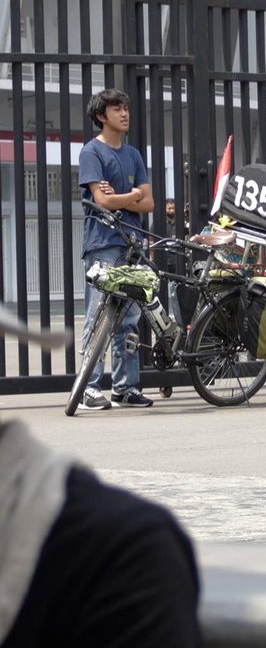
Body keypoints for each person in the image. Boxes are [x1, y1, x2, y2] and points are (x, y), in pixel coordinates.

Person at [0, 306, 200, 648]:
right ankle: (103, 384)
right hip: (109, 249)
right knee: (117, 315)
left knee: (124, 317)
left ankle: (118, 384)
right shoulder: (119, 553)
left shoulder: (112, 555)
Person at [79, 88, 155, 410]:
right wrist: (130, 196)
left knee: (130, 317)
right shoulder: (91, 152)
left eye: (126, 107)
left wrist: (122, 198)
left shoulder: (134, 154)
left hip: (134, 243)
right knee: (98, 315)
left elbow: (149, 202)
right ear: (101, 116)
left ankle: (125, 388)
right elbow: (102, 201)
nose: (124, 113)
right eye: (116, 109)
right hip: (103, 244)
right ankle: (88, 387)